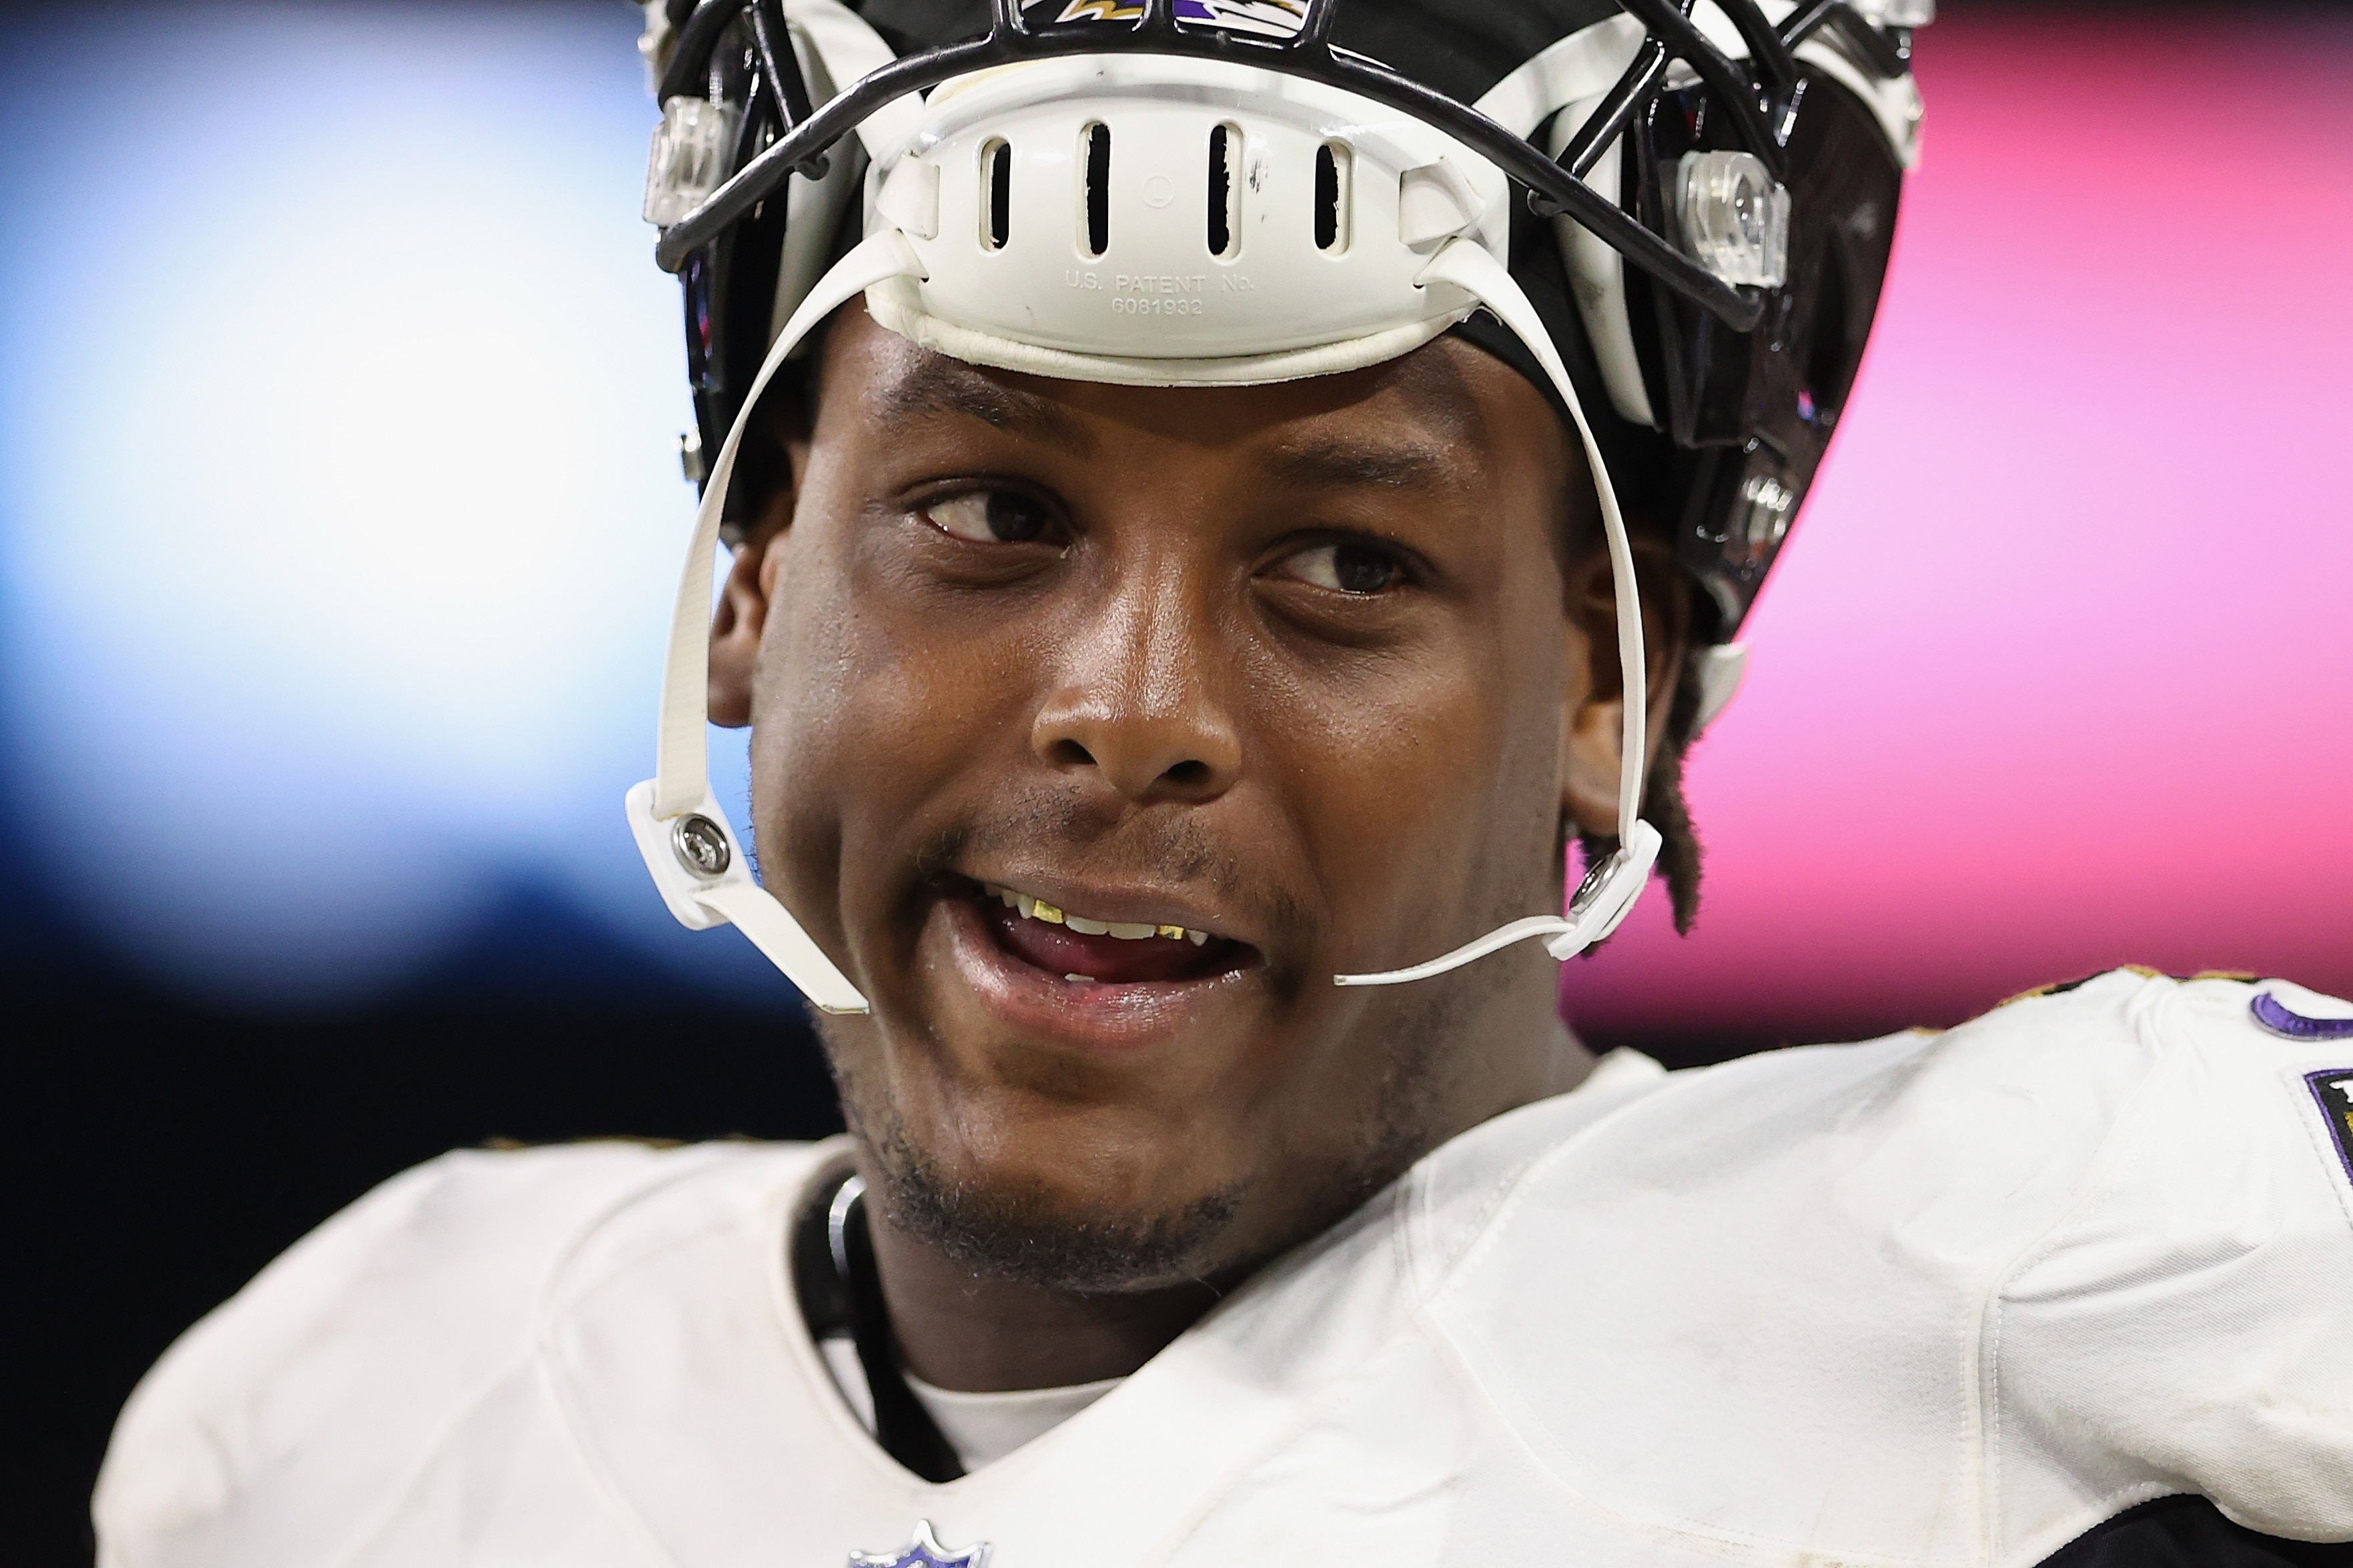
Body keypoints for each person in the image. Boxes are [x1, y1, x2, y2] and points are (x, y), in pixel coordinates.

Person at [93, 0, 2353, 1563]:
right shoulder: (337, 1416)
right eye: (989, 510)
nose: (1131, 706)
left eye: (1346, 562)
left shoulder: (2075, 1284)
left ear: (1607, 678)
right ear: (753, 572)